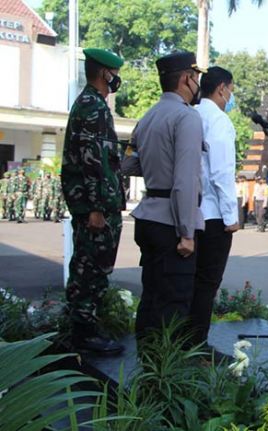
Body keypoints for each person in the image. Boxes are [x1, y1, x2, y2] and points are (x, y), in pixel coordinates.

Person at [121, 51, 206, 344]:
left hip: (149, 217)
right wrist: (187, 233)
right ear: (186, 78)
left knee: (152, 296)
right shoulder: (187, 117)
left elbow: (129, 163)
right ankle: (162, 374)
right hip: (172, 223)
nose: (197, 84)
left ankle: (145, 362)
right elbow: (184, 181)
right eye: (196, 77)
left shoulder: (148, 116)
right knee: (174, 303)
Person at [62, 48, 126, 354]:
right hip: (95, 208)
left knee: (86, 266)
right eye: (114, 73)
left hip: (89, 204)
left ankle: (81, 326)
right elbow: (93, 161)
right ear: (105, 73)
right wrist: (97, 209)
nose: (116, 79)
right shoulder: (94, 108)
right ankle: (85, 333)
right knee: (93, 268)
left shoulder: (87, 104)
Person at [190, 65, 240, 347]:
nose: (230, 96)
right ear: (221, 88)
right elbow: (222, 173)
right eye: (230, 90)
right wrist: (231, 216)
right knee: (207, 283)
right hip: (213, 216)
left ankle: (182, 340)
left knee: (189, 281)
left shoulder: (191, 114)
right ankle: (197, 343)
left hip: (189, 213)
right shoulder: (219, 121)